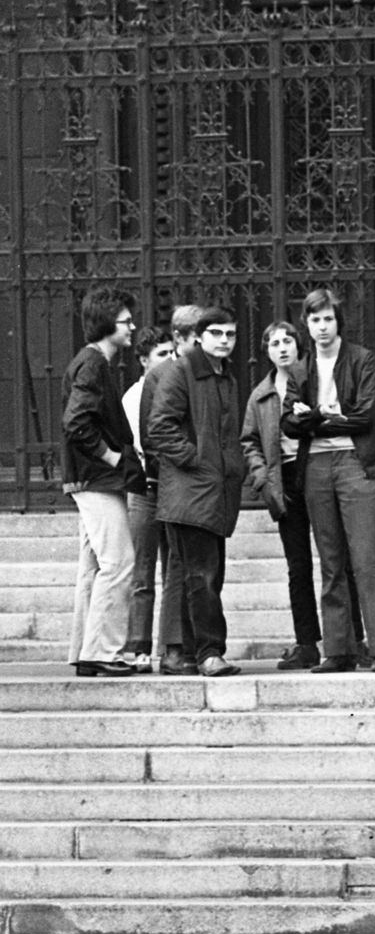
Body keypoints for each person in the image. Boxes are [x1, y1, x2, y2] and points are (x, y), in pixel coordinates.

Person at [282, 286, 375, 673]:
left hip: (353, 462)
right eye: (315, 320)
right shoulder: (300, 369)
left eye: (328, 318)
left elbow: (366, 415)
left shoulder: (362, 359)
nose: (322, 326)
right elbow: (288, 422)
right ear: (307, 325)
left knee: (366, 559)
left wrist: (317, 419)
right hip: (314, 467)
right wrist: (316, 419)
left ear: (338, 320)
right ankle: (338, 650)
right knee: (330, 562)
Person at [144, 307, 245, 678]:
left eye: (230, 334)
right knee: (202, 576)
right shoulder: (181, 370)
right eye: (216, 333)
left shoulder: (226, 378)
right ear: (199, 337)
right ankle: (209, 653)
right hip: (190, 494)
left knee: (203, 576)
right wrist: (195, 459)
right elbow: (159, 427)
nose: (224, 340)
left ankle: (191, 654)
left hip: (213, 494)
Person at [60, 285, 141, 677]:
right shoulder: (93, 364)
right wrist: (112, 458)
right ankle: (105, 652)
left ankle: (87, 652)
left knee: (94, 567)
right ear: (107, 323)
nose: (132, 327)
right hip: (96, 479)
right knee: (120, 562)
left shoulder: (91, 362)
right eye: (126, 321)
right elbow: (76, 422)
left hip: (88, 478)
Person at [243, 321, 331, 670]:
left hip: (319, 469)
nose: (282, 348)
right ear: (267, 351)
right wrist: (263, 479)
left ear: (298, 345)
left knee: (334, 558)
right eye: (274, 343)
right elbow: (249, 441)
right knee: (298, 566)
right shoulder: (261, 395)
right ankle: (306, 642)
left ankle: (349, 638)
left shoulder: (316, 378)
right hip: (284, 479)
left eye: (287, 341)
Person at [145, 306, 204, 674]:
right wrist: (191, 459)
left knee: (195, 566)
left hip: (201, 486)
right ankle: (173, 648)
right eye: (196, 336)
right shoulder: (163, 375)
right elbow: (154, 436)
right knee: (178, 565)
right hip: (174, 483)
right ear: (180, 338)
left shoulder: (206, 372)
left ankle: (193, 644)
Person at [120, 324, 174, 672]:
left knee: (173, 570)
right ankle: (138, 646)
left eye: (172, 353)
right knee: (143, 571)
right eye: (161, 355)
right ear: (143, 360)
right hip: (145, 490)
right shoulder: (132, 397)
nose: (170, 360)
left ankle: (171, 644)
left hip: (172, 489)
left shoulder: (176, 388)